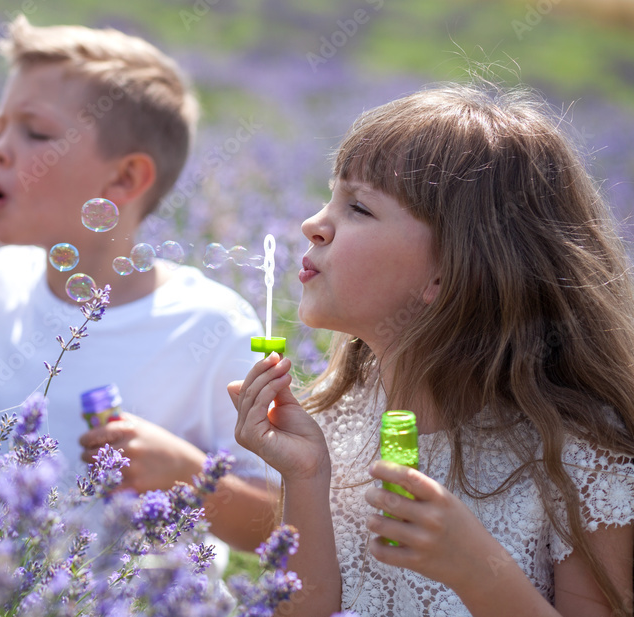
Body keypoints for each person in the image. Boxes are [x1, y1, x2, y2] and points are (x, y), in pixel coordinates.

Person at [0, 15, 277, 555]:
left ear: (124, 179)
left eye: (35, 132)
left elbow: (278, 523)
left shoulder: (211, 325)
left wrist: (189, 475)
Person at [230, 83, 634, 616]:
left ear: (448, 273)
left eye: (358, 208)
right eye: (331, 196)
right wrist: (305, 477)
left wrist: (478, 572)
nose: (313, 224)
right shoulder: (335, 420)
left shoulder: (575, 459)